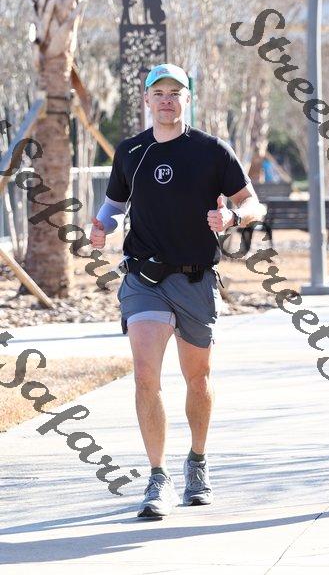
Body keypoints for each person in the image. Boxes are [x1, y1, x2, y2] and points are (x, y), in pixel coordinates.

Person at [90, 63, 266, 519]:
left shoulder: (211, 150)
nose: (167, 100)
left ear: (187, 99)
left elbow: (253, 203)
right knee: (145, 375)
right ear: (147, 99)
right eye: (159, 93)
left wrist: (232, 217)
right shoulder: (131, 151)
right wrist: (103, 225)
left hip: (195, 279)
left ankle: (197, 462)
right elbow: (114, 205)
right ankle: (157, 477)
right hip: (144, 279)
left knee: (198, 377)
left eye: (175, 92)